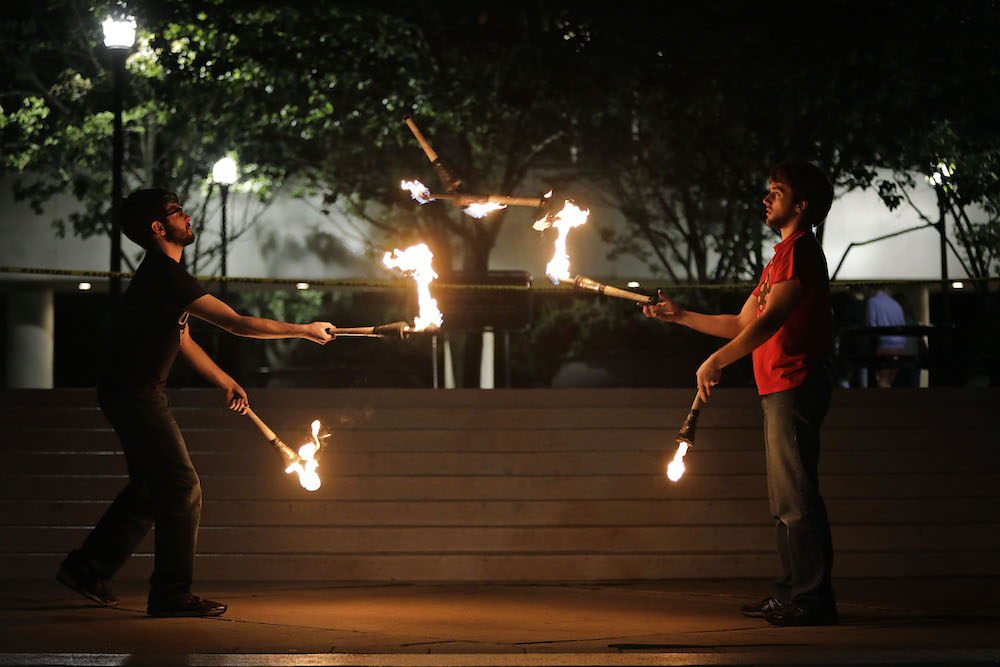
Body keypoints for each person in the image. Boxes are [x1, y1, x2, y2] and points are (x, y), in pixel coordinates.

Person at [56, 188, 335, 617]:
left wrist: (224, 379)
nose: (187, 216)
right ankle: (170, 595)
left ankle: (86, 568)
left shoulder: (162, 277)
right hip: (135, 395)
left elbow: (181, 336)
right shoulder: (164, 276)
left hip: (131, 392)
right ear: (158, 227)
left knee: (153, 488)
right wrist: (303, 329)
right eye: (176, 212)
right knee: (183, 488)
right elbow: (238, 324)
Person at [642, 161, 838, 626]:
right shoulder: (779, 258)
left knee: (796, 498)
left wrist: (718, 361)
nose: (768, 198)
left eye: (777, 191)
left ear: (801, 205)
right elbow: (741, 322)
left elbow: (772, 321)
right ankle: (792, 592)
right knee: (782, 500)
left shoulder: (802, 252)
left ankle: (812, 600)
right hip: (776, 386)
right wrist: (679, 315)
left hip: (795, 382)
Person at [866, 286, 906, 388]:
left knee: (882, 379)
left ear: (871, 289)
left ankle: (883, 402)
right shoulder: (895, 303)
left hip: (884, 344)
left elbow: (871, 325)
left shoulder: (873, 302)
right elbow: (903, 325)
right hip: (899, 346)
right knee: (891, 378)